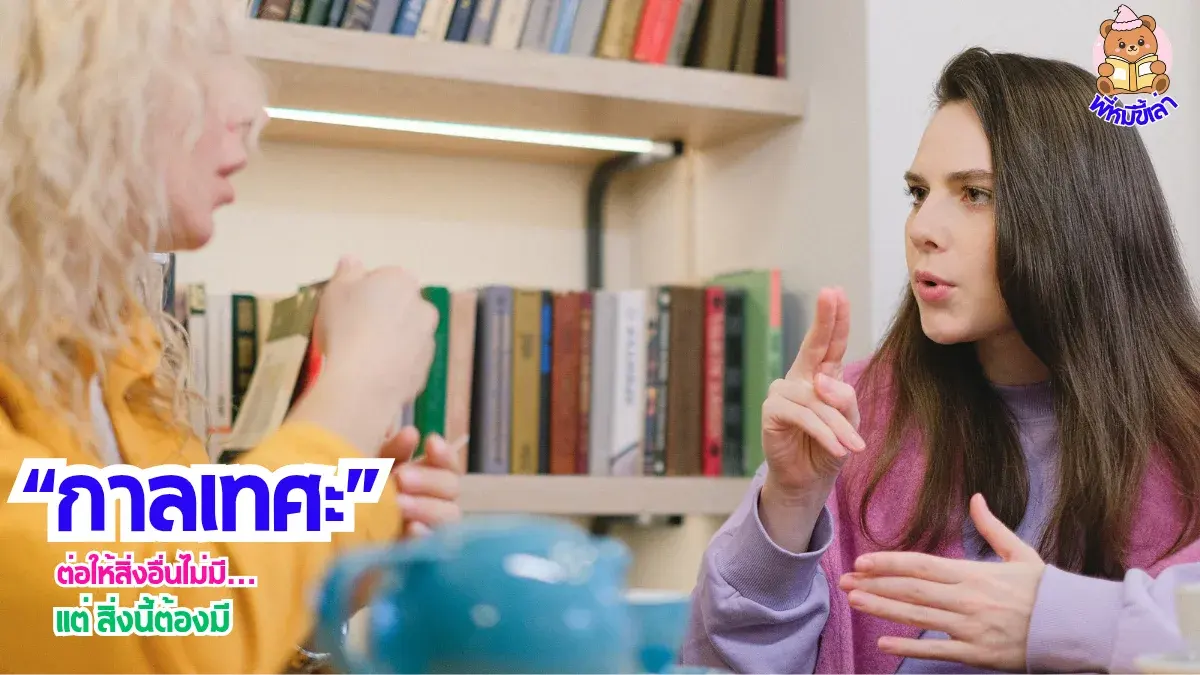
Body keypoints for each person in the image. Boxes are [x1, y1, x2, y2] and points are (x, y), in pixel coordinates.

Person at [681, 47, 1200, 674]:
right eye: (919, 193)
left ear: (1077, 214)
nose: (922, 226)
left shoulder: (1186, 426)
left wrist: (1068, 622)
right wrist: (789, 504)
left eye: (975, 193)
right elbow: (719, 662)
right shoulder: (851, 417)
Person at [0, 2, 462, 672]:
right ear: (64, 81)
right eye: (205, 53)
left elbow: (183, 606)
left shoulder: (115, 359)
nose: (252, 109)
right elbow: (157, 636)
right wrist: (360, 383)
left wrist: (341, 548)